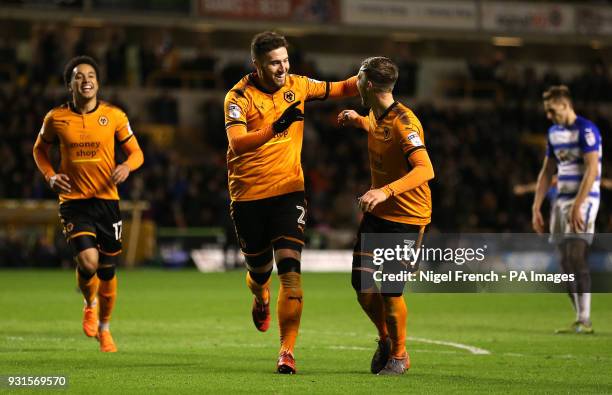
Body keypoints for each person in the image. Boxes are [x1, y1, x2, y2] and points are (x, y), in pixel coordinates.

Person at [224, 31, 358, 374]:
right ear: (257, 65)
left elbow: (340, 88)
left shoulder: (298, 85)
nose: (283, 67)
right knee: (259, 273)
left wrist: (370, 75)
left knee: (291, 274)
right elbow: (238, 144)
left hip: (288, 192)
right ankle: (260, 296)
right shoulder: (237, 97)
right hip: (248, 196)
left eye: (285, 60)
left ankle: (286, 351)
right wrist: (276, 126)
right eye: (274, 62)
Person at [33, 55, 144, 352]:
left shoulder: (115, 116)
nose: (86, 80)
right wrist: (50, 176)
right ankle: (88, 302)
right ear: (69, 84)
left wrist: (126, 167)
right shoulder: (56, 118)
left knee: (107, 271)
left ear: (98, 81)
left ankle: (105, 329)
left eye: (91, 75)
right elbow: (39, 150)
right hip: (74, 201)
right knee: (88, 261)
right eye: (79, 76)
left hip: (107, 202)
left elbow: (137, 153)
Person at [338, 57, 434, 375]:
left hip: (406, 217)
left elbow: (425, 168)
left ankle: (400, 356)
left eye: (359, 78)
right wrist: (358, 120)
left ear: (370, 85)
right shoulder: (377, 115)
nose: (354, 82)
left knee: (391, 291)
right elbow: (378, 129)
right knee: (362, 284)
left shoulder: (405, 123)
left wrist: (385, 191)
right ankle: (386, 340)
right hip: (379, 214)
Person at [532, 85, 602, 334]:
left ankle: (585, 319)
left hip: (585, 198)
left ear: (564, 105)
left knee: (576, 255)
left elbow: (592, 169)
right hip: (561, 201)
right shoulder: (554, 132)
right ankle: (579, 317)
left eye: (552, 110)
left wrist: (579, 204)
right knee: (563, 264)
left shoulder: (586, 129)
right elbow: (547, 171)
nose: (549, 116)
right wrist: (536, 206)